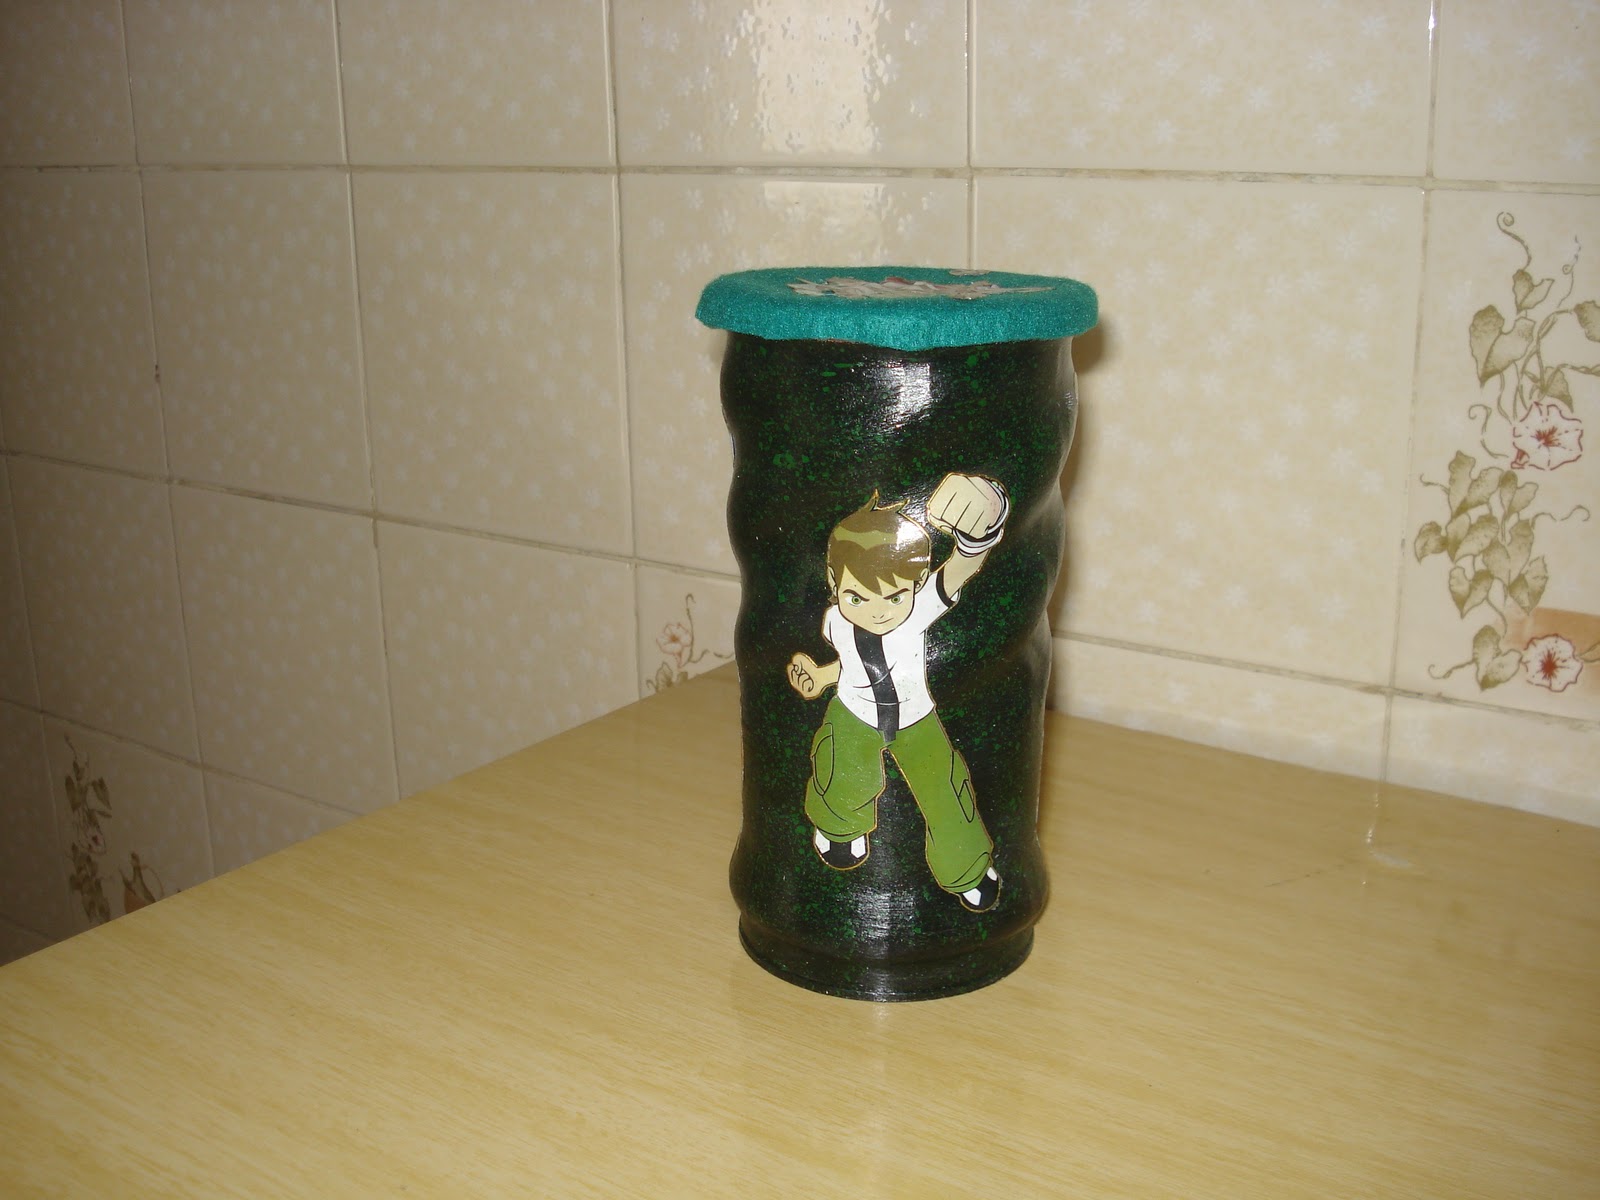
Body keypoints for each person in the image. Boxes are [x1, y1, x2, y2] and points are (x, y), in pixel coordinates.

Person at [786, 472, 1008, 912]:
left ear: (916, 585)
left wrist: (978, 532)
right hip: (855, 712)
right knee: (840, 769)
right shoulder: (834, 621)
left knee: (945, 790)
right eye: (857, 598)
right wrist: (822, 677)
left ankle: (966, 869)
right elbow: (855, 666)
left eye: (893, 598)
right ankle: (839, 829)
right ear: (834, 583)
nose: (877, 612)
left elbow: (962, 568)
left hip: (915, 718)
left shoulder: (921, 607)